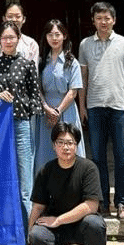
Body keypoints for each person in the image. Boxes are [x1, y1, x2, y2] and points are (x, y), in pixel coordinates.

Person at [78, 1, 124, 220]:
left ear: (114, 20)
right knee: (97, 158)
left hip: (119, 107)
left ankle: (122, 203)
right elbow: (83, 78)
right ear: (93, 21)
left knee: (122, 157)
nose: (103, 22)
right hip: (95, 107)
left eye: (107, 18)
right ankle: (102, 202)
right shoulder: (85, 44)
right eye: (99, 18)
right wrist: (82, 106)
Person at [27, 122, 107, 245]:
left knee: (96, 224)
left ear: (76, 145)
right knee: (36, 235)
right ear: (54, 145)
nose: (66, 147)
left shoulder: (88, 168)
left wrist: (59, 220)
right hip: (56, 230)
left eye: (70, 143)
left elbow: (91, 206)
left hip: (81, 226)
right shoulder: (46, 170)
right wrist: (30, 243)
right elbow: (37, 207)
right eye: (61, 142)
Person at [0, 20, 42, 227]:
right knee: (1, 175)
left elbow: (35, 96)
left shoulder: (27, 65)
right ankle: (4, 225)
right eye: (4, 38)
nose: (8, 41)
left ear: (18, 39)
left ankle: (28, 231)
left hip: (21, 124)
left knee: (24, 179)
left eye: (12, 37)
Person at [36, 19, 86, 171]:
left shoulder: (72, 62)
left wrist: (58, 111)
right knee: (46, 151)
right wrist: (46, 108)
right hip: (46, 112)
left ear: (64, 36)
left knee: (68, 148)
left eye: (57, 34)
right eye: (50, 34)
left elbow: (73, 91)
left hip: (66, 110)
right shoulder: (41, 62)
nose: (54, 38)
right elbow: (37, 88)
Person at [0, 2, 40, 69]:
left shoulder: (31, 44)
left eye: (18, 16)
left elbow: (34, 70)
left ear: (24, 19)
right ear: (4, 19)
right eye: (10, 16)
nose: (14, 20)